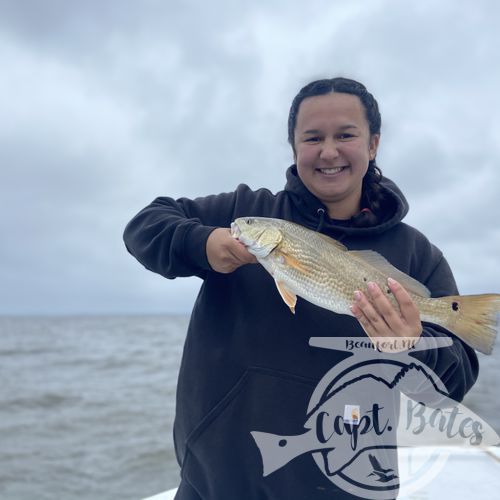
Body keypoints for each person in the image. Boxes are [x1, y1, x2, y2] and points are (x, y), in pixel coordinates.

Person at [123, 77, 478, 500]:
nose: (328, 151)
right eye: (312, 138)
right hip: (218, 482)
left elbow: (456, 377)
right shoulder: (247, 212)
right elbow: (146, 225)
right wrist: (201, 242)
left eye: (345, 134)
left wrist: (412, 343)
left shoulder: (416, 254)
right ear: (294, 148)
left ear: (373, 144)